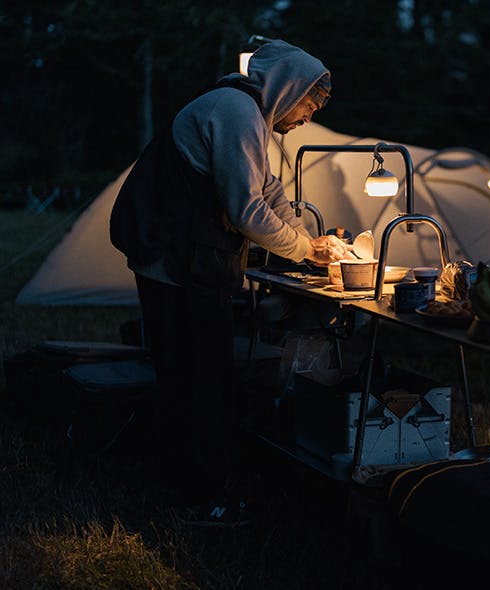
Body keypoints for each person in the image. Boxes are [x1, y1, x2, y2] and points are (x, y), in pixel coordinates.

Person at [110, 40, 350, 523]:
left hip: (185, 264)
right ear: (289, 88)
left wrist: (311, 243)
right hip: (176, 267)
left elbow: (270, 192)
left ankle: (188, 484)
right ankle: (200, 499)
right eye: (308, 104)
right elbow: (247, 211)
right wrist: (304, 250)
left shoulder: (248, 114)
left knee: (201, 376)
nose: (306, 117)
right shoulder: (236, 111)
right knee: (200, 380)